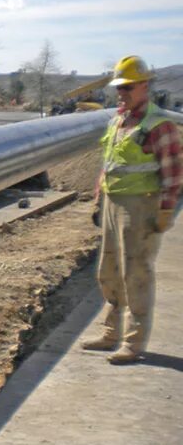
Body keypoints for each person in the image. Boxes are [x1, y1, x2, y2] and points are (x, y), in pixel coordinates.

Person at [81, 55, 180, 365]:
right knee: (108, 272)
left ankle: (133, 343)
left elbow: (173, 173)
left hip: (141, 206)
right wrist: (99, 199)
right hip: (113, 202)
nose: (121, 93)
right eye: (119, 88)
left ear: (145, 86)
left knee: (135, 274)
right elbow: (108, 165)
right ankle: (111, 334)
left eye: (128, 87)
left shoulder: (158, 125)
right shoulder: (118, 121)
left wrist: (165, 210)